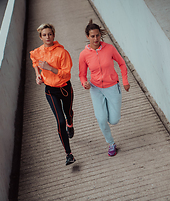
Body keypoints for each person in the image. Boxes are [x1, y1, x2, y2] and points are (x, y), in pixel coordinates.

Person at [79, 19, 130, 156]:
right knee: (101, 119)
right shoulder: (84, 54)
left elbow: (122, 63)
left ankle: (108, 110)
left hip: (112, 86)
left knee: (114, 120)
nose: (96, 39)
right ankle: (111, 143)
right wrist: (85, 83)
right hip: (96, 88)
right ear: (87, 37)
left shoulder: (109, 49)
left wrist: (125, 80)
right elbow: (82, 74)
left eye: (97, 35)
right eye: (92, 36)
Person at [30, 23, 76, 165]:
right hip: (50, 91)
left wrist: (49, 68)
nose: (47, 37)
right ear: (40, 37)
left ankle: (71, 123)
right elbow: (35, 62)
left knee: (68, 113)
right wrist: (38, 75)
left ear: (54, 35)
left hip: (64, 88)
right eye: (44, 35)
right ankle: (68, 154)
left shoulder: (62, 52)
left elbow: (66, 73)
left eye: (50, 34)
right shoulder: (38, 51)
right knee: (59, 121)